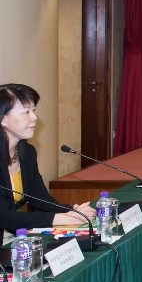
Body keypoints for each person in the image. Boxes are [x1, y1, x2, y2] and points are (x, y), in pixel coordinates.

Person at [0, 83, 97, 233]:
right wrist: (59, 218)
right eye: (26, 112)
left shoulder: (27, 153)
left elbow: (41, 200)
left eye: (33, 111)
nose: (34, 117)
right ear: (3, 120)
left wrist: (74, 211)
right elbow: (4, 217)